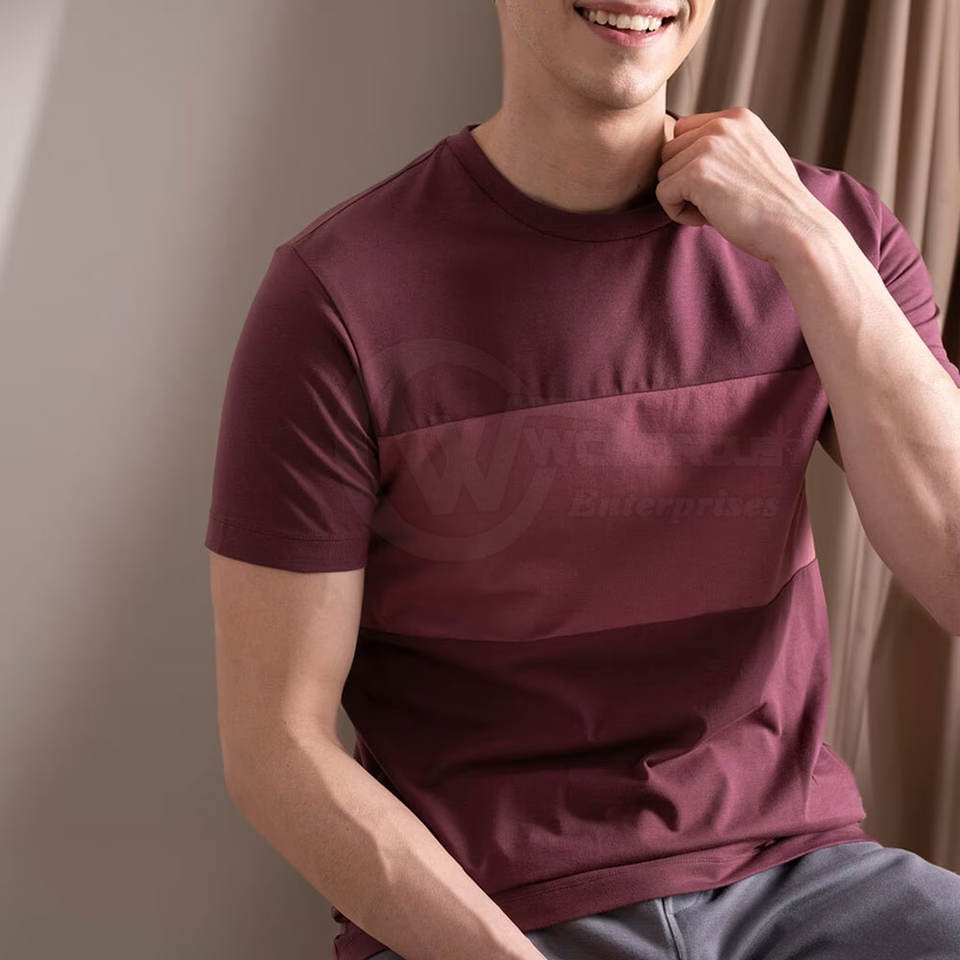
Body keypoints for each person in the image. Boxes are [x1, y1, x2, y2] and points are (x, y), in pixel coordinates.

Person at [204, 2, 960, 958]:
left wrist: (808, 246)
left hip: (799, 881)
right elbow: (277, 749)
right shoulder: (336, 296)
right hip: (497, 915)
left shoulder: (833, 234)